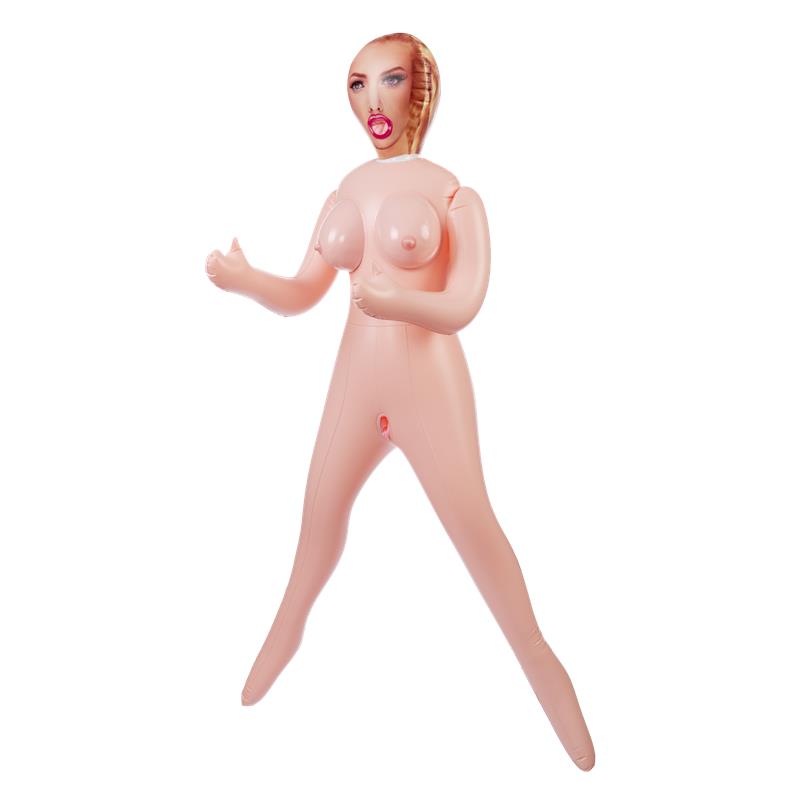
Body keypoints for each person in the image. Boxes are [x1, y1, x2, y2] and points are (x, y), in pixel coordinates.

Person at [205, 32, 595, 771]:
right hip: (356, 380)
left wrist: (396, 301)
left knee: (474, 528)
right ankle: (286, 632)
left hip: (429, 385)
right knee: (317, 519)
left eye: (388, 80)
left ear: (421, 90)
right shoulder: (345, 190)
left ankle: (541, 663)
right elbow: (304, 291)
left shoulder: (455, 194)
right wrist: (245, 279)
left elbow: (464, 303)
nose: (371, 99)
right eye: (357, 84)